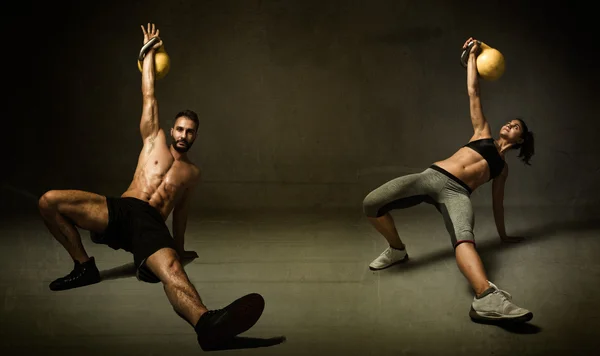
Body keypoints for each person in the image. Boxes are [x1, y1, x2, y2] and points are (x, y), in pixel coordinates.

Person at [37, 23, 265, 350]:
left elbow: (181, 213)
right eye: (181, 129)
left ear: (195, 136)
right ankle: (84, 266)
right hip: (121, 209)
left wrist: (180, 248)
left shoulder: (192, 174)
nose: (184, 135)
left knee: (171, 268)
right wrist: (149, 54)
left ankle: (206, 323)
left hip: (150, 224)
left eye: (191, 132)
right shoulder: (152, 138)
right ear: (171, 130)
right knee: (49, 202)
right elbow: (149, 94)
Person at [362, 37, 535, 323]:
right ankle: (397, 250)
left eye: (516, 127)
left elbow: (498, 204)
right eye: (510, 121)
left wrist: (503, 235)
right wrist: (471, 59)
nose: (509, 124)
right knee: (371, 203)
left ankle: (486, 297)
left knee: (465, 239)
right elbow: (473, 91)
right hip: (430, 177)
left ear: (520, 140)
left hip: (457, 194)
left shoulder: (502, 169)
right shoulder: (482, 133)